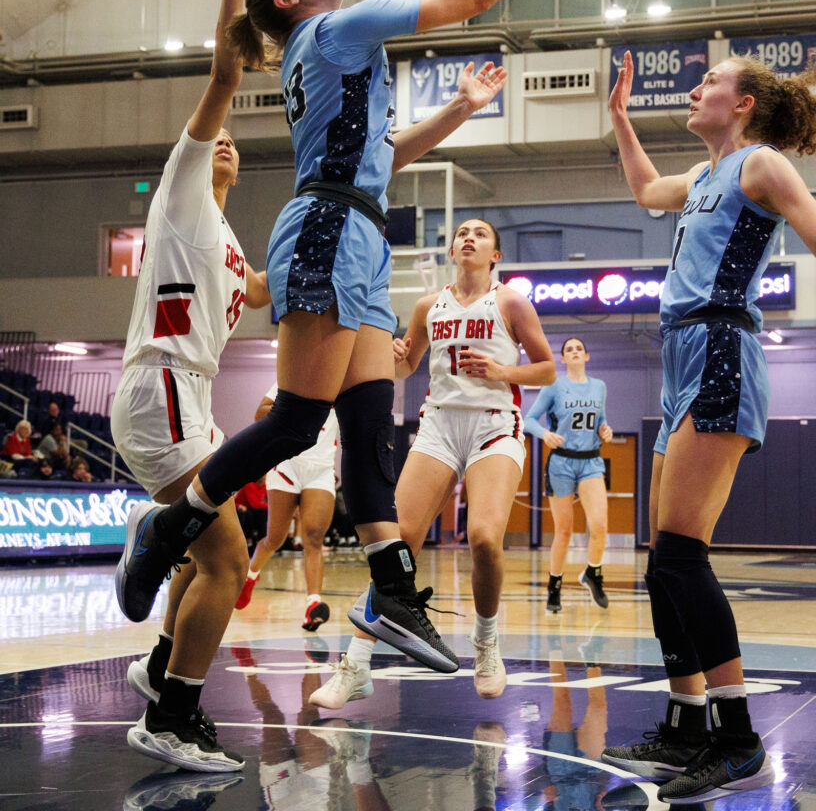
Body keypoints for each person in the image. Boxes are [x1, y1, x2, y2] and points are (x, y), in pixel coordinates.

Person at [115, 0, 592, 676]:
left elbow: (383, 155)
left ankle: (395, 598)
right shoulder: (341, 28)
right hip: (329, 225)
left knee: (372, 425)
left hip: (358, 227)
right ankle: (170, 527)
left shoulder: (324, 44)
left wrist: (459, 111)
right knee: (299, 421)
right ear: (292, 1)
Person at [601, 50, 816, 803]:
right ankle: (685, 723)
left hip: (722, 346)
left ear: (746, 103)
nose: (695, 90)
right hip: (682, 354)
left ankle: (737, 739)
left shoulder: (762, 166)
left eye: (711, 82)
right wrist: (621, 119)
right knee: (663, 560)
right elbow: (643, 189)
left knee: (680, 559)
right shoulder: (699, 177)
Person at [110, 0, 274, 772]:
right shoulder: (180, 196)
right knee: (226, 559)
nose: (225, 147)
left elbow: (278, 286)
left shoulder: (234, 244)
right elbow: (222, 72)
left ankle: (154, 663)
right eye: (216, 142)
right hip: (162, 385)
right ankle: (170, 715)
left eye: (235, 149)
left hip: (193, 397)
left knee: (214, 561)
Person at [309, 218, 556, 709]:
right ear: (451, 249)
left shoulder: (509, 302)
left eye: (480, 234)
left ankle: (486, 644)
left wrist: (504, 370)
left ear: (495, 256)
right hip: (438, 426)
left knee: (484, 538)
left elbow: (547, 367)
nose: (469, 237)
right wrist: (396, 353)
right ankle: (355, 666)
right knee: (396, 546)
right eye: (462, 232)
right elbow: (404, 366)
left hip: (493, 425)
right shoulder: (428, 306)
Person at [235, 384, 339, 631]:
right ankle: (250, 575)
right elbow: (260, 413)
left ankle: (313, 604)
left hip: (321, 468)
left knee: (313, 536)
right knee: (275, 538)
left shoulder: (340, 383)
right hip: (286, 465)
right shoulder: (291, 376)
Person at [523, 337, 613, 614]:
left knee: (598, 525)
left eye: (578, 349)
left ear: (587, 356)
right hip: (561, 462)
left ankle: (593, 574)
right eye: (568, 350)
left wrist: (605, 429)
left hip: (591, 462)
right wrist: (544, 434)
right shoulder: (554, 385)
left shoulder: (599, 387)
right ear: (562, 359)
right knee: (564, 531)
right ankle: (554, 586)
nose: (573, 352)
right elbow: (528, 419)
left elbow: (601, 420)